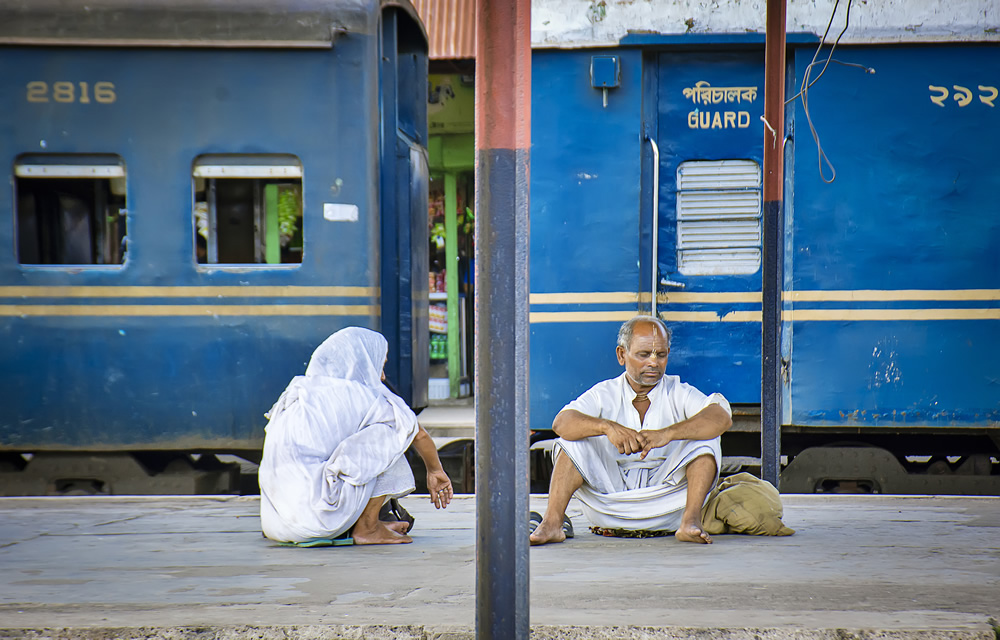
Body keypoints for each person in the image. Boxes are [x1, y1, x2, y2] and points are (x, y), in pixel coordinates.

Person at [529, 315, 733, 546]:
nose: (654, 363)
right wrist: (607, 427)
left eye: (661, 355)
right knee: (571, 442)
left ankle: (691, 522)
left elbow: (721, 418)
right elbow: (561, 423)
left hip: (668, 506)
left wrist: (667, 434)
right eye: (644, 355)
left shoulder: (678, 391)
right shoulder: (604, 393)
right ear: (621, 355)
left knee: (706, 439)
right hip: (610, 504)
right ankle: (552, 523)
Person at [259, 327, 453, 545]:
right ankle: (368, 529)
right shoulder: (362, 394)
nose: (382, 376)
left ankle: (367, 523)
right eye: (380, 364)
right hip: (316, 521)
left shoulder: (299, 393)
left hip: (277, 523)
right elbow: (417, 434)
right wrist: (435, 470)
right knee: (393, 433)